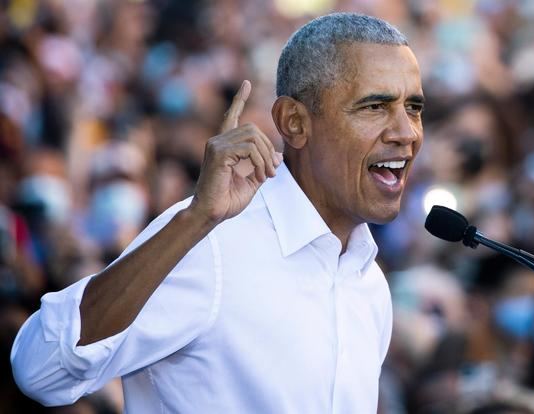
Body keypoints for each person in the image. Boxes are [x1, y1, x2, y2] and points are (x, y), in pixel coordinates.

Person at [11, 12, 424, 413]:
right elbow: (40, 371)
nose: (406, 132)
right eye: (375, 107)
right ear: (294, 122)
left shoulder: (368, 283)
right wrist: (194, 222)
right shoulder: (209, 244)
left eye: (414, 107)